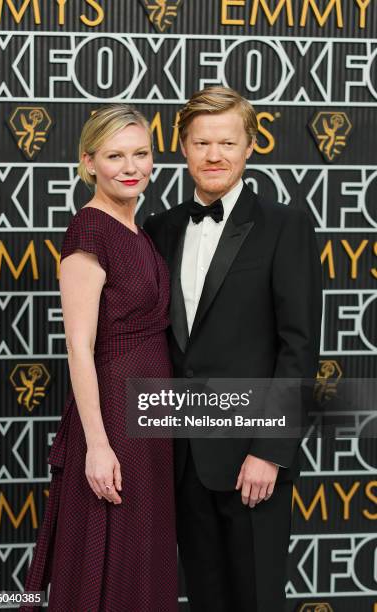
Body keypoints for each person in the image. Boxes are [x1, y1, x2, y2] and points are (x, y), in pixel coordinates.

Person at [144, 86, 322, 611]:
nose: (213, 155)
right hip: (181, 455)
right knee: (205, 599)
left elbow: (299, 346)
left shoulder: (284, 224)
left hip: (252, 458)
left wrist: (269, 450)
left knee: (256, 600)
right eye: (201, 142)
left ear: (249, 148)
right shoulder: (160, 228)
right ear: (182, 146)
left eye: (227, 142)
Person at [20, 105, 178, 611]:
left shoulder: (139, 231)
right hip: (115, 420)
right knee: (108, 556)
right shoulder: (88, 230)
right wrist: (97, 445)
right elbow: (79, 347)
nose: (131, 167)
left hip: (153, 418)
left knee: (143, 556)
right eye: (115, 156)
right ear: (89, 162)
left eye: (141, 153)